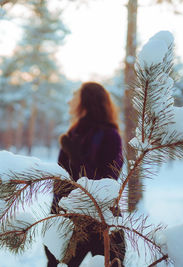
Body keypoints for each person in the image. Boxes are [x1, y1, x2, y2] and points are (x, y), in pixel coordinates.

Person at [45, 82, 125, 267]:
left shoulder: (110, 136)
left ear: (86, 100)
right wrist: (55, 217)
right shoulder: (74, 133)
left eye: (74, 95)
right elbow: (61, 182)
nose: (69, 101)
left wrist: (76, 157)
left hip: (100, 218)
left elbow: (108, 180)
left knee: (113, 263)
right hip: (69, 218)